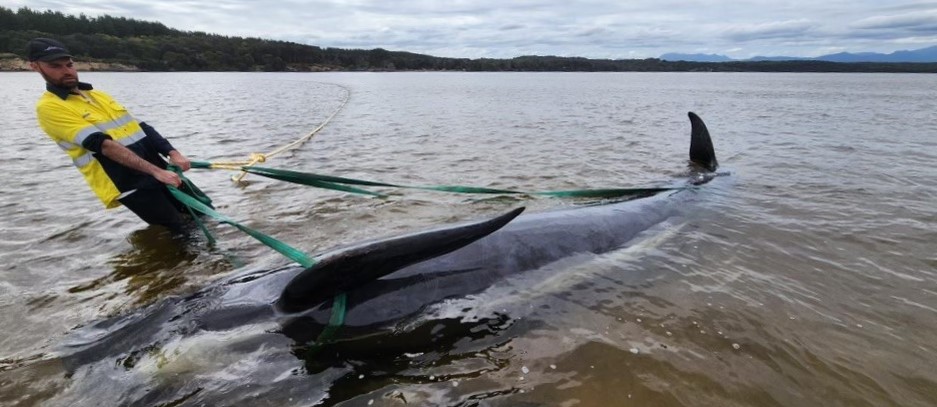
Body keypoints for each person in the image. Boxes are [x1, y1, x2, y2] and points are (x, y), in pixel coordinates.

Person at [28, 37, 194, 233]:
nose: (67, 71)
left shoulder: (97, 95)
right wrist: (155, 172)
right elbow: (103, 145)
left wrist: (172, 153)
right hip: (128, 181)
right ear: (35, 67)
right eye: (55, 66)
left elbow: (142, 127)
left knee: (201, 214)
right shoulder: (49, 107)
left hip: (161, 169)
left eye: (69, 64)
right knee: (180, 231)